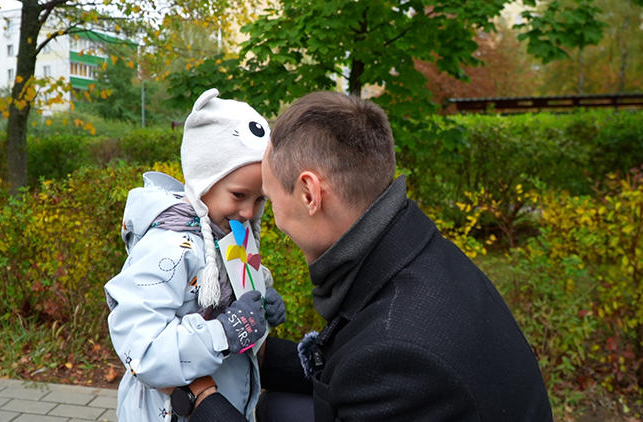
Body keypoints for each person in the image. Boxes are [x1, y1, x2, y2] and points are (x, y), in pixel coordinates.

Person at [188, 91, 554, 422]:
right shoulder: (416, 252)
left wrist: (202, 398)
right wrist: (262, 357)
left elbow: (369, 362)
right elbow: (344, 362)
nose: (252, 216)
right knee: (275, 407)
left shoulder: (396, 356)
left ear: (309, 194)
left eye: (267, 197)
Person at [104, 88, 287, 422]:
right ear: (204, 181)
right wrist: (223, 332)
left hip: (228, 402)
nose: (249, 211)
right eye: (239, 195)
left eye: (260, 198)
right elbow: (142, 348)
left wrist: (263, 300)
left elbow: (242, 298)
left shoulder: (232, 233)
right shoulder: (168, 247)